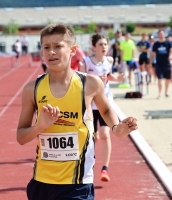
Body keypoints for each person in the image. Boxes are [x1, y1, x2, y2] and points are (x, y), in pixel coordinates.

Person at [17, 23, 138, 200]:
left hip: (77, 183)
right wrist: (40, 126)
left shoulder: (90, 84)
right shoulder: (32, 89)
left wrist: (117, 128)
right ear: (41, 52)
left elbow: (105, 109)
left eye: (58, 46)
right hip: (42, 183)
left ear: (73, 50)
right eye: (46, 47)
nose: (52, 52)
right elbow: (21, 137)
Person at [80, 33, 124, 182]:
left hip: (105, 104)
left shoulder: (109, 60)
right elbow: (81, 80)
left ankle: (105, 169)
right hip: (90, 105)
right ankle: (86, 164)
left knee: (106, 135)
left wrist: (117, 78)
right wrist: (96, 81)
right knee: (93, 138)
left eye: (105, 44)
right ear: (94, 47)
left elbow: (109, 75)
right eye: (101, 45)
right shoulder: (86, 62)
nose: (104, 47)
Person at [150, 29, 172, 99]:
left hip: (167, 64)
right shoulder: (156, 44)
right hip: (159, 64)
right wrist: (150, 62)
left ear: (164, 35)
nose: (161, 35)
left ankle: (166, 92)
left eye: (162, 34)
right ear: (158, 35)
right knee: (160, 79)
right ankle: (160, 94)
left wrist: (171, 56)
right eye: (159, 34)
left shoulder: (168, 43)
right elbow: (153, 54)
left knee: (168, 79)